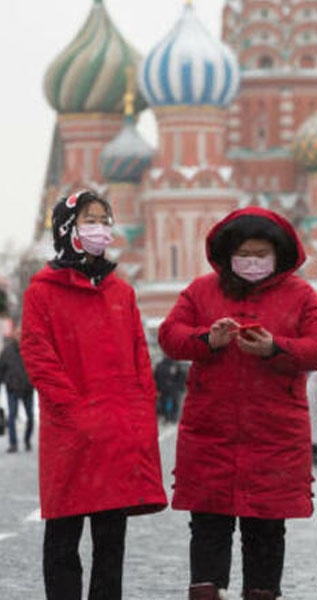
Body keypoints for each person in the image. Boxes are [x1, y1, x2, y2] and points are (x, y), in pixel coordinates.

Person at [158, 207, 317, 600]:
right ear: (228, 254)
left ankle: (261, 592)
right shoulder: (202, 291)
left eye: (261, 254)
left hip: (273, 433)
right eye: (245, 254)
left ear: (278, 256)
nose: (252, 262)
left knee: (267, 527)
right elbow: (171, 336)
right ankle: (207, 591)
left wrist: (276, 347)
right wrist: (207, 340)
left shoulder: (300, 295)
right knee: (207, 523)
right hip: (211, 431)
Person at [20, 190, 167, 600]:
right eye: (90, 219)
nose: (100, 228)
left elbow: (140, 355)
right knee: (64, 537)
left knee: (111, 540)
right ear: (68, 227)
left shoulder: (121, 293)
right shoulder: (42, 292)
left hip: (116, 432)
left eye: (105, 219)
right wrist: (74, 409)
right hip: (72, 433)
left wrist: (140, 407)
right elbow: (37, 354)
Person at [0, 321, 35, 453]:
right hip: (12, 389)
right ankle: (13, 444)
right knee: (12, 417)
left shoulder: (31, 349)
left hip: (28, 389)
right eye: (17, 333)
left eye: (22, 333)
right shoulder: (7, 351)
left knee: (30, 418)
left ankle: (27, 440)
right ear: (14, 334)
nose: (20, 335)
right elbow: (1, 369)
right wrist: (5, 381)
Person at [153, 355, 186, 423]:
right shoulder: (176, 365)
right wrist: (180, 387)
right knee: (170, 403)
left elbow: (155, 377)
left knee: (165, 402)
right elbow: (182, 377)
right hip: (173, 389)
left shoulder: (159, 365)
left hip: (162, 388)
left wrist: (157, 388)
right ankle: (169, 417)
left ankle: (166, 416)